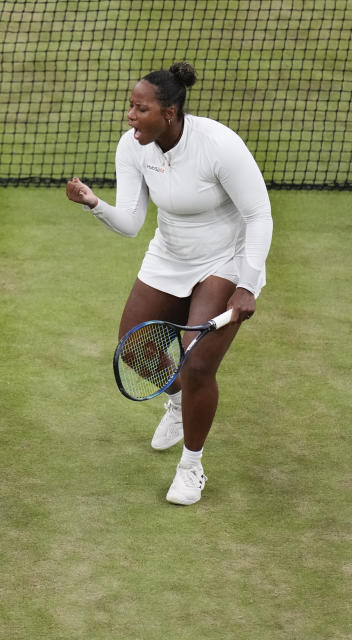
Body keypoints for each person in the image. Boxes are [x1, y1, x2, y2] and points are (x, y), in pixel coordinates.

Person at [66, 62, 273, 505]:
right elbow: (131, 223)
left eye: (141, 109)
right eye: (131, 107)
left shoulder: (219, 145)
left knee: (197, 364)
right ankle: (177, 404)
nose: (131, 116)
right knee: (134, 348)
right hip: (170, 254)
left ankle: (191, 467)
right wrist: (93, 203)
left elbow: (259, 215)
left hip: (225, 260)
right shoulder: (134, 147)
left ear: (170, 113)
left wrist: (248, 285)